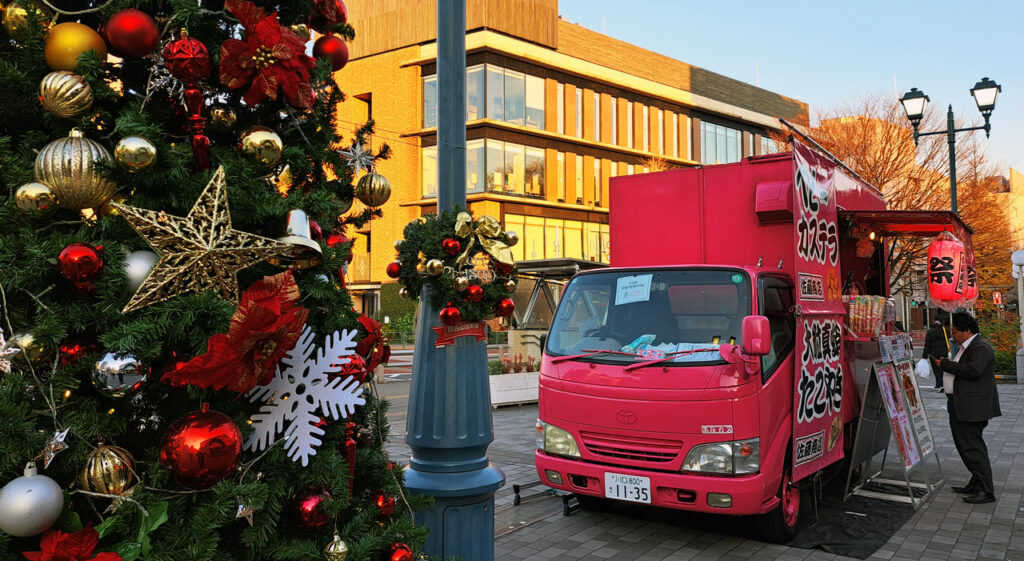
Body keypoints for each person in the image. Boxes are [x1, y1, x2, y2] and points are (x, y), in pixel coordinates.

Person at [930, 312, 1001, 504]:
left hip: (973, 407)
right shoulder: (965, 346)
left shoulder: (981, 347)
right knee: (965, 445)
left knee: (972, 447)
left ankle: (986, 490)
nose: (952, 336)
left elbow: (973, 371)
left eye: (955, 332)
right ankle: (976, 482)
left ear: (967, 330)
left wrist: (945, 364)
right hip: (961, 404)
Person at [922, 319, 949, 391]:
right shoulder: (945, 330)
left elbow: (927, 344)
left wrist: (924, 355)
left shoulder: (930, 331)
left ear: (934, 322)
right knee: (942, 369)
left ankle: (939, 384)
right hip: (943, 353)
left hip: (933, 353)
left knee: (936, 369)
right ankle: (942, 384)